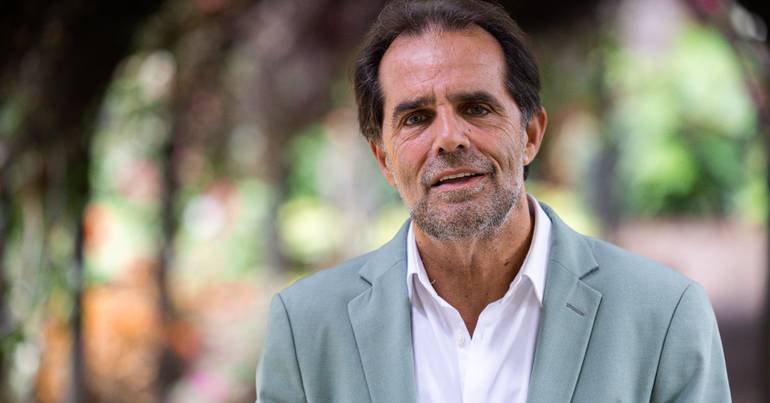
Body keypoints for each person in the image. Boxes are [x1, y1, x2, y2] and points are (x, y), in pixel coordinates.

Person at [256, 0, 731, 402]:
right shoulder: (305, 328)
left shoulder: (664, 315)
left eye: (476, 108)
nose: (448, 138)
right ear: (384, 159)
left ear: (531, 134)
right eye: (416, 118)